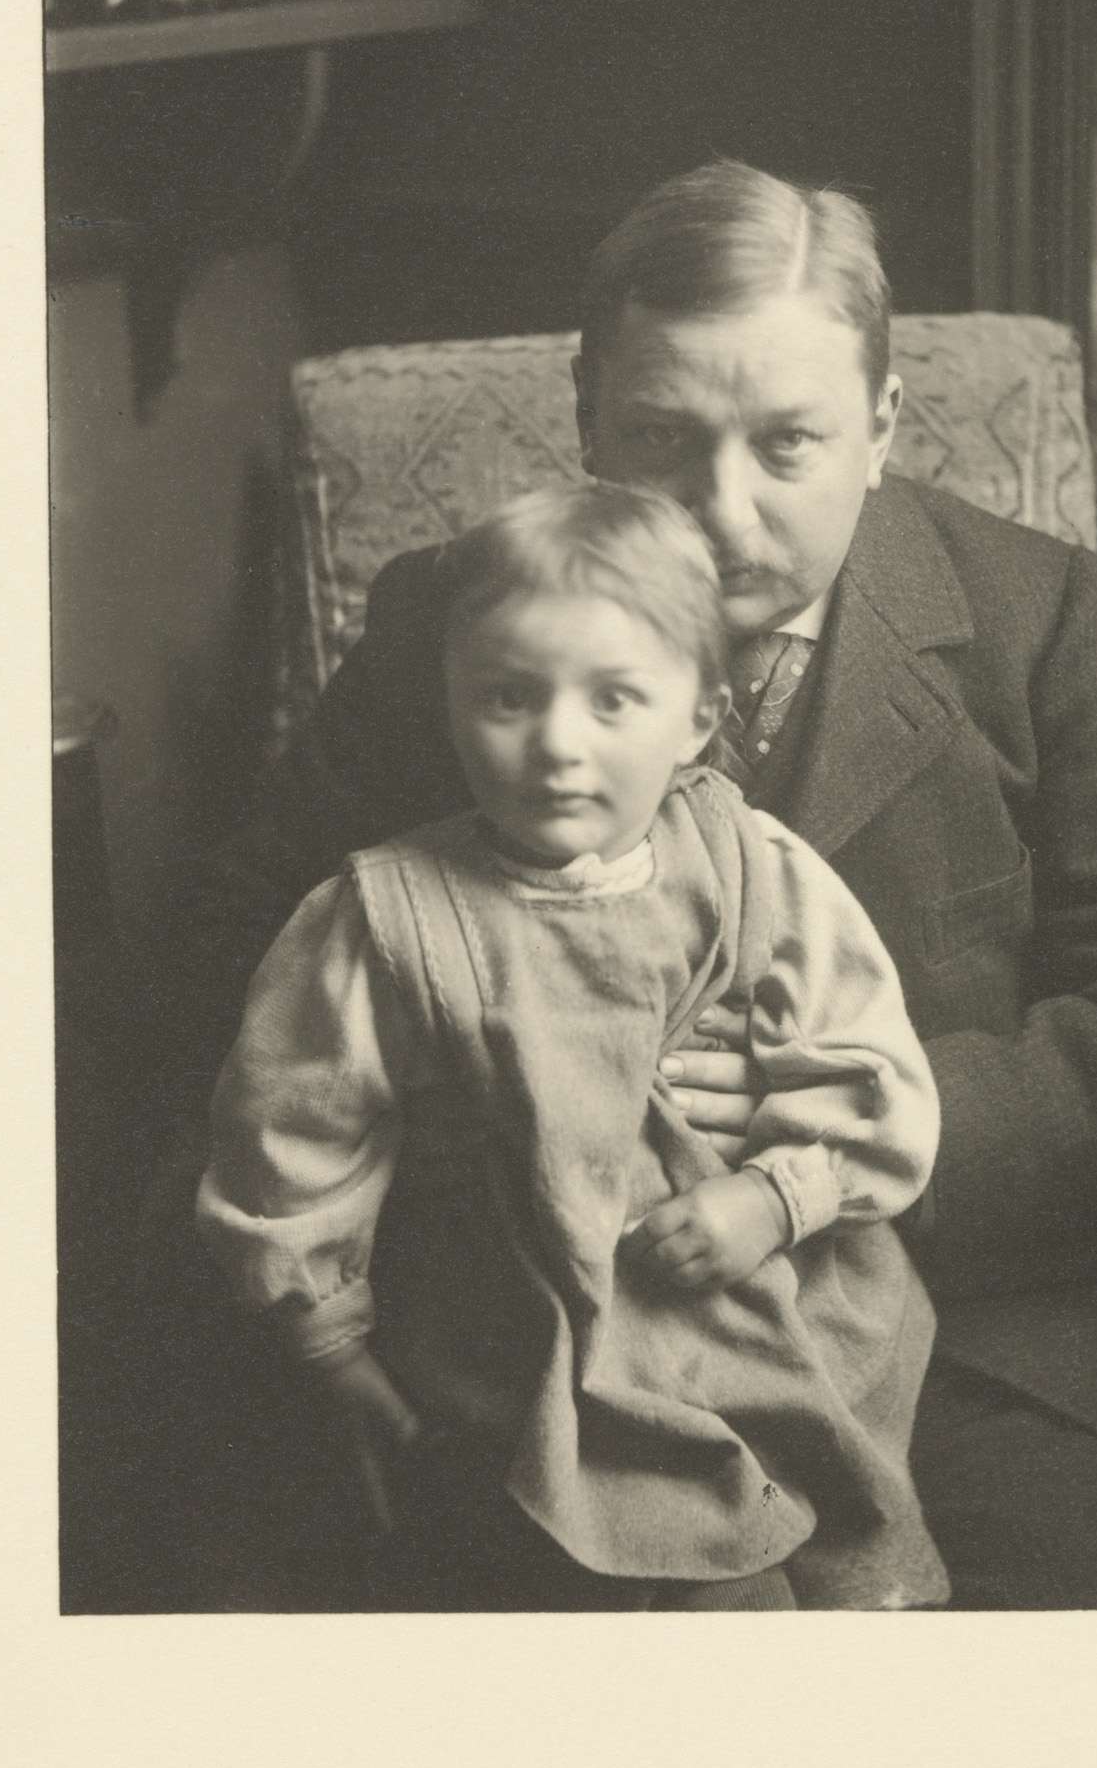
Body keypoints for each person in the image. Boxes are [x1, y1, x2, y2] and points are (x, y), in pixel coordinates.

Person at [182, 158, 1097, 1609]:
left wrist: (845, 1136)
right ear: (587, 422)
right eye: (660, 440)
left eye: (787, 445)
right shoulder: (461, 624)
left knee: (1062, 1648)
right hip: (546, 1334)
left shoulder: (1029, 617)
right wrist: (496, 1117)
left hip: (971, 1335)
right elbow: (228, 962)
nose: (720, 511)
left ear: (879, 429)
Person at [196, 483, 946, 1611]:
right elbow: (291, 1138)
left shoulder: (751, 866)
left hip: (760, 1303)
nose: (555, 743)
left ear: (696, 717)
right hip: (517, 1335)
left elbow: (866, 1064)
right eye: (508, 697)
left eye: (613, 700)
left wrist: (776, 1195)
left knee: (819, 1562)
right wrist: (330, 1343)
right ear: (452, 703)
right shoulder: (386, 916)